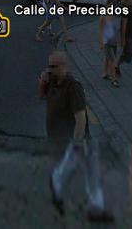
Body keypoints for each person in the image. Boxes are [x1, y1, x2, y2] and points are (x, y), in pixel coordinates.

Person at [39, 51, 113, 223]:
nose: (50, 69)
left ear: (64, 66)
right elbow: (41, 96)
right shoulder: (51, 81)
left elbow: (81, 118)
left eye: (54, 66)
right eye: (49, 65)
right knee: (67, 170)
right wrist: (42, 82)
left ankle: (95, 209)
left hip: (77, 141)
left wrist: (77, 143)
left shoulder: (73, 88)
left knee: (91, 174)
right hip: (58, 139)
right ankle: (59, 189)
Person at [99, 13, 120, 87]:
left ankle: (105, 73)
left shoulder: (114, 17)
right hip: (107, 43)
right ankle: (114, 79)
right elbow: (101, 31)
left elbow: (115, 30)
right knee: (113, 60)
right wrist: (101, 42)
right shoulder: (103, 17)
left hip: (114, 42)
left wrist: (118, 39)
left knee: (108, 58)